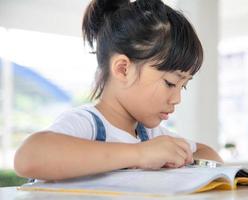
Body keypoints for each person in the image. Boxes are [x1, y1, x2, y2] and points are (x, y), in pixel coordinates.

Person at [14, 0, 223, 181]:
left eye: (183, 85)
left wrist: (182, 161)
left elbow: (210, 154)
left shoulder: (150, 135)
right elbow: (29, 157)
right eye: (170, 83)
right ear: (123, 69)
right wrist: (139, 154)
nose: (177, 98)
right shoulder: (89, 124)